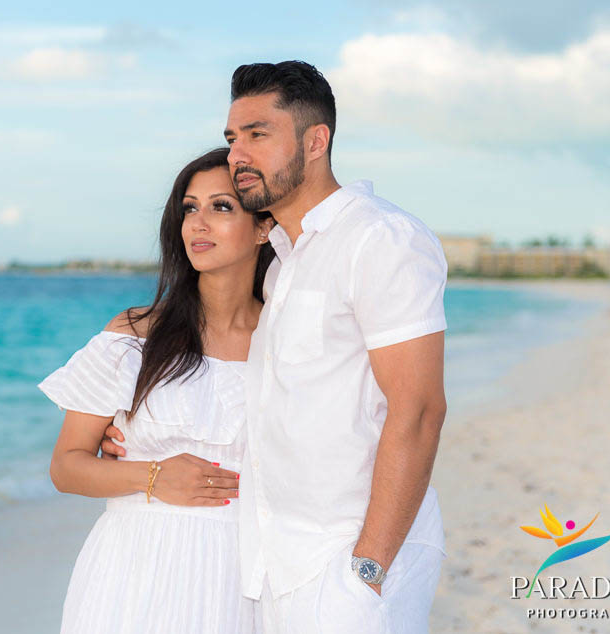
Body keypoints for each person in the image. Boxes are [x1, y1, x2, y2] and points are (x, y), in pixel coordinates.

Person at [104, 61, 449, 633]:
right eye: (232, 138)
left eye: (257, 134)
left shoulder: (379, 238)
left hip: (348, 558)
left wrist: (367, 568)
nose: (238, 154)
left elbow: (419, 411)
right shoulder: (282, 265)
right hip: (273, 568)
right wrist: (140, 430)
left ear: (316, 142)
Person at [39, 147, 275, 633]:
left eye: (221, 206)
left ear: (263, 227)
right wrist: (152, 477)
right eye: (189, 208)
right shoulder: (136, 334)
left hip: (243, 579)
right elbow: (66, 466)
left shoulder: (286, 339)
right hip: (132, 575)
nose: (198, 224)